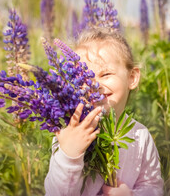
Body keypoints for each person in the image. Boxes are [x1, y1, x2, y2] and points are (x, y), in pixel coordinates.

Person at [44, 27, 163, 196]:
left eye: (105, 74)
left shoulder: (141, 135)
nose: (95, 85)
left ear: (132, 78)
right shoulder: (71, 132)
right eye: (83, 78)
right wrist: (69, 155)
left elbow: (152, 186)